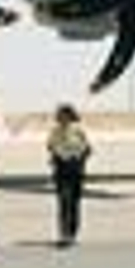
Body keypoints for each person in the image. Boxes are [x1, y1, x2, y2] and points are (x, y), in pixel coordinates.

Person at [46, 103, 92, 248]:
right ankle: (64, 234)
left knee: (74, 203)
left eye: (63, 115)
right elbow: (50, 146)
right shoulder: (55, 131)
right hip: (61, 169)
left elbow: (87, 148)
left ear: (70, 116)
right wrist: (57, 156)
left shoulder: (79, 130)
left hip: (75, 169)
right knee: (63, 201)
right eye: (59, 116)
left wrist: (79, 159)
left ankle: (72, 232)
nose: (60, 118)